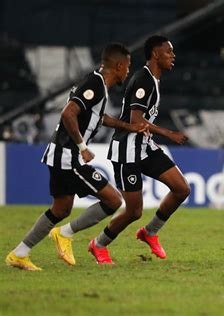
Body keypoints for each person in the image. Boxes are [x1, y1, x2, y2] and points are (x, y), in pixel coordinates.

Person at [5, 43, 148, 271]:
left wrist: (127, 126)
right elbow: (68, 113)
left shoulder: (97, 82)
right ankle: (64, 234)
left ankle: (19, 254)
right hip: (68, 156)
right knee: (113, 200)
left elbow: (98, 117)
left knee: (61, 209)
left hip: (60, 154)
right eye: (128, 66)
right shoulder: (95, 84)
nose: (128, 71)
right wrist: (82, 146)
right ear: (119, 66)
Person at [87, 35, 190, 264]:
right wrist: (169, 133)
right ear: (155, 54)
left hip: (144, 146)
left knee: (181, 189)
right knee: (134, 211)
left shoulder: (153, 79)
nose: (172, 56)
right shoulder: (143, 79)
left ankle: (150, 232)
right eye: (168, 52)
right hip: (127, 150)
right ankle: (99, 244)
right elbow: (136, 119)